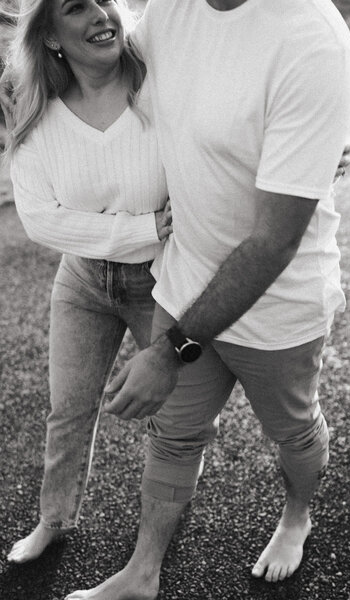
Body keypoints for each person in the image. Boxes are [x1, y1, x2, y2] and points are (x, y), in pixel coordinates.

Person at [63, 0, 350, 598]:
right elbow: (110, 68)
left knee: (294, 432)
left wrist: (169, 351)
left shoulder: (312, 41)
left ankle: (297, 515)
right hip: (186, 277)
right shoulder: (172, 9)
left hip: (280, 305)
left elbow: (273, 242)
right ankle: (142, 572)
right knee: (171, 436)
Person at [1, 0, 171, 564]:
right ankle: (53, 520)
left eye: (106, 1)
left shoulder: (161, 78)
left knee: (178, 415)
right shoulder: (36, 112)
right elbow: (41, 219)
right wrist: (144, 226)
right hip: (82, 278)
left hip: (164, 278)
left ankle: (159, 532)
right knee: (68, 407)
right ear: (50, 36)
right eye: (78, 8)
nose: (102, 15)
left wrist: (311, 148)